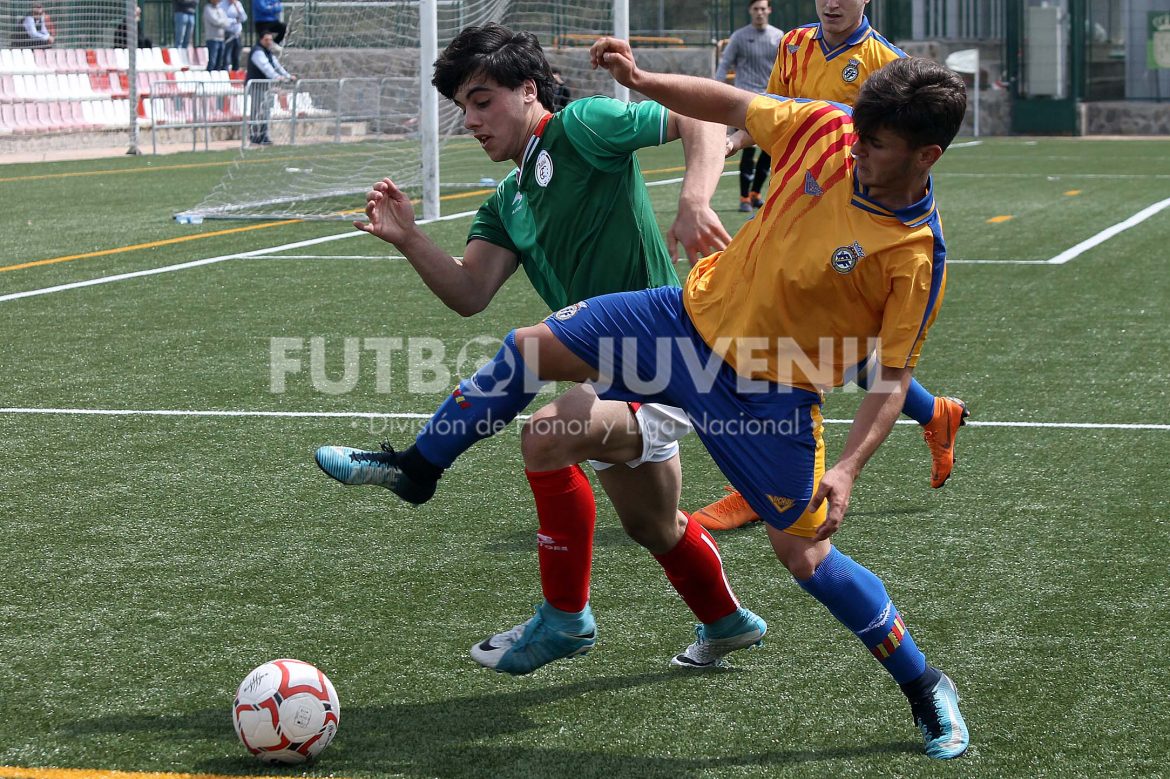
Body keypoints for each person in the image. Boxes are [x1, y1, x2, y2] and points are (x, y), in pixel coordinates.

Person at [313, 23, 770, 677]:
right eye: (464, 108)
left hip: (669, 360)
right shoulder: (508, 199)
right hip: (616, 377)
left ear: (529, 90)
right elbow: (470, 290)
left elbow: (700, 119)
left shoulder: (582, 126)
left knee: (545, 427)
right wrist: (411, 239)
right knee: (655, 524)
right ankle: (728, 622)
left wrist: (694, 199)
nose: (471, 120)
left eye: (483, 100)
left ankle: (548, 601)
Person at [693, 0, 969, 531]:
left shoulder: (887, 65)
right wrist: (735, 137)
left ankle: (760, 487)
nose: (832, 2)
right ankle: (935, 413)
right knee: (837, 353)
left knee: (793, 352)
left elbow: (900, 157)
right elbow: (771, 112)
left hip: (852, 227)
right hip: (797, 207)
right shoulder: (793, 45)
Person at [715, 0, 782, 212]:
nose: (760, 13)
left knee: (769, 149)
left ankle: (756, 193)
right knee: (745, 148)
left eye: (763, 9)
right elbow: (725, 64)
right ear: (750, 11)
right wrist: (716, 90)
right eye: (756, 9)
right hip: (745, 101)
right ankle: (744, 197)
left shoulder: (779, 37)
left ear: (769, 10)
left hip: (771, 101)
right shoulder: (739, 37)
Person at [245, 30, 294, 145]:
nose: (269, 42)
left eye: (271, 40)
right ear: (261, 40)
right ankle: (255, 135)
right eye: (267, 40)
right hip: (257, 86)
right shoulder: (257, 52)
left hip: (266, 86)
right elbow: (266, 67)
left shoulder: (268, 52)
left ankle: (263, 135)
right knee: (257, 110)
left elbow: (277, 66)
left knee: (266, 111)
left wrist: (287, 75)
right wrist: (277, 77)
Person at [203, 0, 230, 70]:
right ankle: (209, 78)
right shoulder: (207, 9)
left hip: (221, 39)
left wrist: (222, 21)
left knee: (219, 62)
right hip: (212, 39)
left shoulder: (220, 9)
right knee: (212, 61)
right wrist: (223, 21)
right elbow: (215, 21)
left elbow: (227, 22)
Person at [222, 0, 248, 71]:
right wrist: (235, 20)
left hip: (237, 33)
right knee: (226, 57)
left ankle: (235, 73)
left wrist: (237, 8)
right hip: (227, 33)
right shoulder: (222, 4)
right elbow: (223, 19)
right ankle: (225, 73)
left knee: (236, 56)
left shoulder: (238, 4)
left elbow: (244, 18)